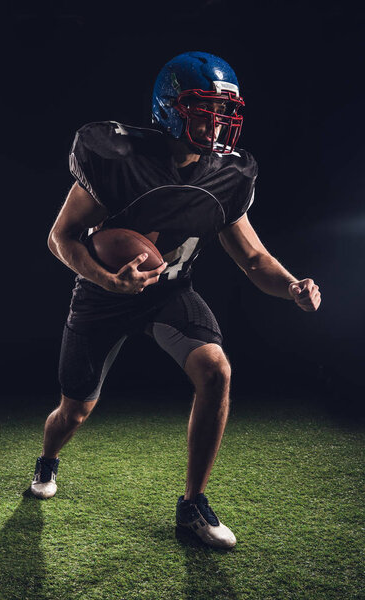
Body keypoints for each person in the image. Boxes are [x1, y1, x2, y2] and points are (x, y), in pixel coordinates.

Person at [30, 51, 321, 549]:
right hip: (104, 297)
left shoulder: (226, 176)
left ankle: (192, 507)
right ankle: (48, 460)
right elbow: (61, 237)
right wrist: (106, 278)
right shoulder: (118, 160)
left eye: (224, 112)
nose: (216, 124)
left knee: (217, 371)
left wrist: (292, 284)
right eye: (204, 109)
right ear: (170, 108)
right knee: (74, 411)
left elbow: (253, 259)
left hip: (170, 292)